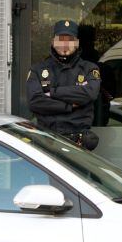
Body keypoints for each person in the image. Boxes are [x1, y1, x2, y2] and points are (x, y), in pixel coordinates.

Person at [26, 20, 102, 150]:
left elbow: (90, 93)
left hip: (78, 142)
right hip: (47, 140)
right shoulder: (38, 69)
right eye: (60, 39)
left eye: (70, 40)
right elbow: (35, 101)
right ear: (53, 42)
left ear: (77, 43)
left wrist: (53, 93)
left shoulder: (89, 68)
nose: (65, 44)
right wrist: (69, 105)